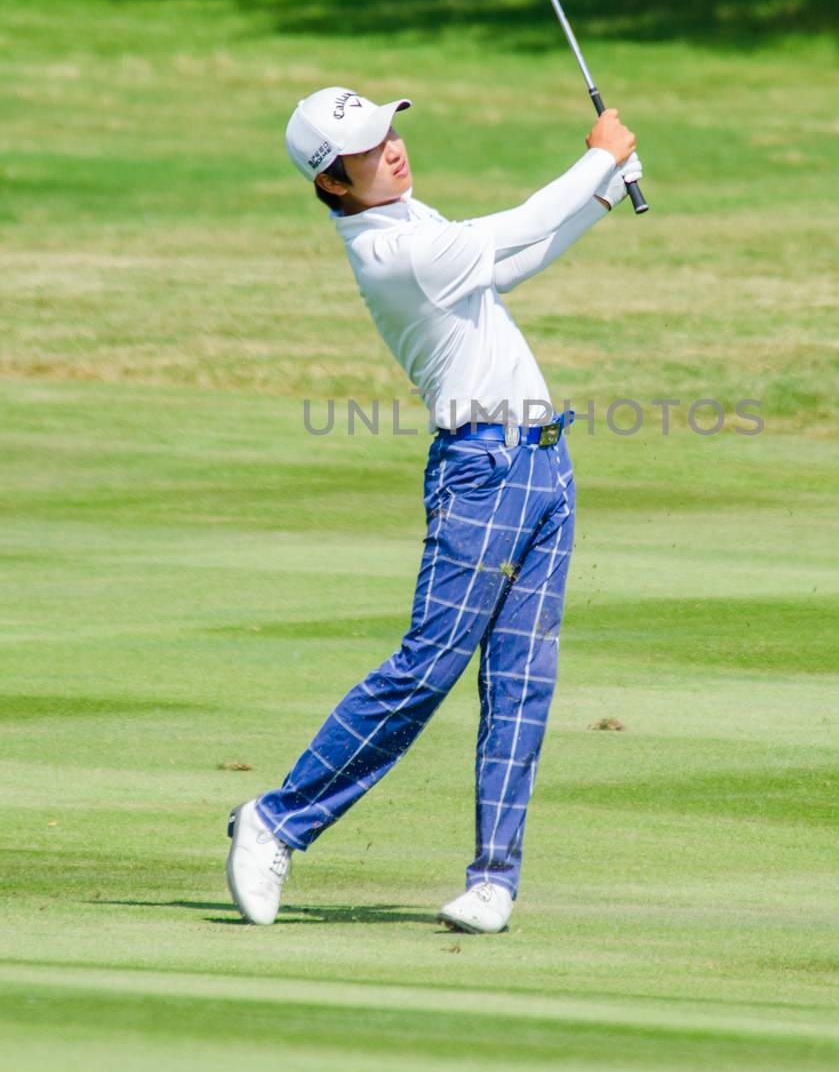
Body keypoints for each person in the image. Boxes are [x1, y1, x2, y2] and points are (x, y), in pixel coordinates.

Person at [226, 84, 641, 933]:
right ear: (332, 184)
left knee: (522, 683)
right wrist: (600, 155)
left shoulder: (414, 224)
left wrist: (600, 194)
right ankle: (277, 820)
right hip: (482, 469)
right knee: (428, 667)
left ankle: (494, 881)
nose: (391, 149)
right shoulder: (393, 254)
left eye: (388, 132)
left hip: (543, 464)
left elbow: (510, 262)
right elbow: (513, 226)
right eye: (368, 149)